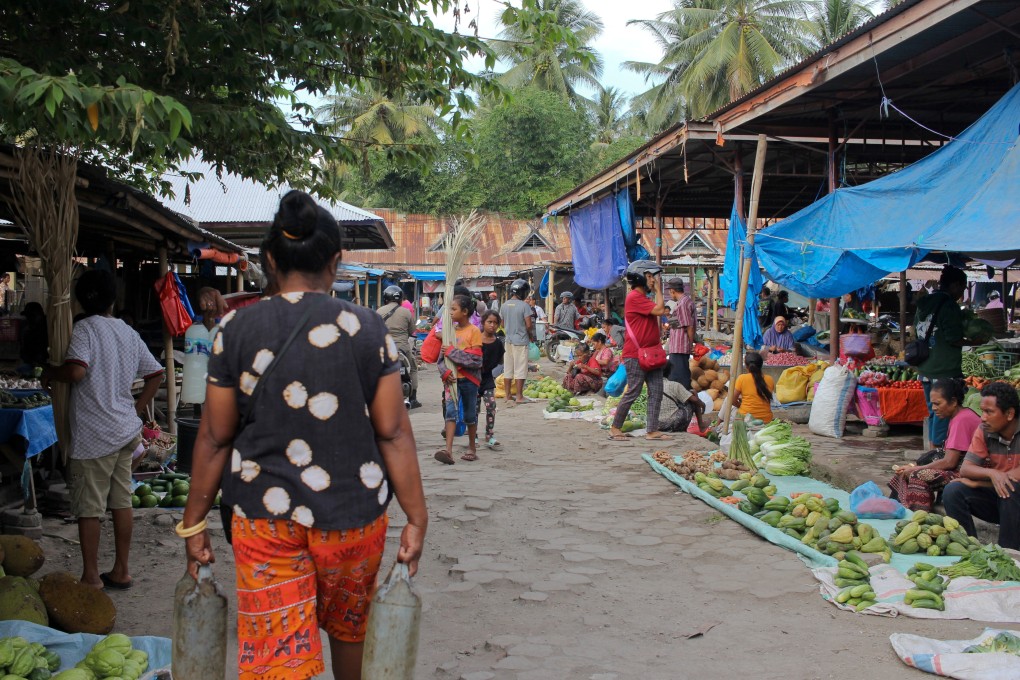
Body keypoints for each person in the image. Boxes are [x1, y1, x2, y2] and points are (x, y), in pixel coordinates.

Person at [180, 190, 427, 679]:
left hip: (263, 519)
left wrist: (193, 524)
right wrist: (416, 518)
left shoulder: (235, 328)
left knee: (279, 656)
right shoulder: (368, 327)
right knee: (350, 632)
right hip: (353, 517)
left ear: (270, 259)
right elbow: (394, 433)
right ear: (336, 261)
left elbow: (213, 437)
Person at [41, 269, 164, 591]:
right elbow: (156, 374)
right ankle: (121, 570)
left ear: (82, 300)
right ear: (113, 299)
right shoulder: (127, 332)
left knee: (89, 508)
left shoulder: (84, 329)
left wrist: (52, 372)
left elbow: (77, 372)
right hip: (125, 432)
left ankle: (92, 577)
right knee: (121, 501)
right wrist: (135, 411)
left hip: (95, 435)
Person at [943, 382, 1020, 550]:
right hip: (1001, 501)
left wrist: (979, 482)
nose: (983, 417)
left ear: (1009, 414)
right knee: (953, 491)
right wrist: (992, 473)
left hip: (1014, 500)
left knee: (1010, 487)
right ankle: (970, 549)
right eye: (982, 411)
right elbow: (966, 468)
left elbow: (1013, 477)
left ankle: (1008, 555)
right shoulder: (984, 430)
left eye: (989, 412)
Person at [888, 378, 981, 511]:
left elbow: (950, 462)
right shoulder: (959, 416)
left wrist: (916, 469)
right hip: (962, 467)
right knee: (911, 469)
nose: (934, 408)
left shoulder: (962, 420)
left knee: (916, 475)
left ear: (953, 402)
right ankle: (898, 508)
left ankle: (921, 516)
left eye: (938, 404)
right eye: (932, 404)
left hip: (969, 472)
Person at [609, 260, 671, 442]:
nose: (653, 280)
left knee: (656, 390)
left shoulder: (643, 298)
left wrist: (657, 289)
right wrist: (660, 289)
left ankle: (652, 430)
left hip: (650, 354)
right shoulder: (634, 297)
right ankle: (615, 428)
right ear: (640, 277)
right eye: (650, 277)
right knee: (634, 391)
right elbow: (660, 309)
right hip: (635, 355)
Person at [915, 265, 967, 448]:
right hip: (944, 368)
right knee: (943, 411)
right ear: (955, 285)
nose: (962, 293)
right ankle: (937, 450)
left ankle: (932, 448)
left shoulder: (924, 303)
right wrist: (975, 341)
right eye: (962, 288)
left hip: (925, 367)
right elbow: (954, 338)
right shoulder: (949, 306)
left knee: (933, 409)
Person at [434, 295, 483, 464]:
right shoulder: (449, 331)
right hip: (451, 380)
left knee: (470, 414)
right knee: (450, 413)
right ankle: (448, 450)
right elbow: (441, 359)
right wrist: (444, 372)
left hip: (469, 380)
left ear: (465, 312)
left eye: (453, 309)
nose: (450, 312)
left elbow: (476, 360)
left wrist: (452, 353)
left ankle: (472, 447)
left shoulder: (474, 331)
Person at [378, 284, 421, 409]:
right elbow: (412, 331)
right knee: (413, 369)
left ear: (385, 298)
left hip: (384, 348)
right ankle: (413, 398)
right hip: (403, 348)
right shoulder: (406, 312)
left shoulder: (379, 311)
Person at [500, 279, 533, 407]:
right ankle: (519, 396)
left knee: (508, 368)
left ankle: (507, 395)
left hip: (508, 341)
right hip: (521, 341)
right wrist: (529, 334)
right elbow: (529, 325)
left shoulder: (504, 305)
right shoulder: (524, 306)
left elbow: (502, 323)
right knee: (520, 368)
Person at [478, 310, 504, 451]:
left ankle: (489, 434)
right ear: (483, 323)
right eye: (489, 322)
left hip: (487, 378)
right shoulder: (475, 339)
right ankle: (473, 435)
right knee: (474, 409)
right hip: (474, 378)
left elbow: (499, 360)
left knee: (491, 405)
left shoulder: (498, 344)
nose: (492, 325)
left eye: (495, 323)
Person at [665, 278, 696, 390]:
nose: (669, 294)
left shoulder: (683, 303)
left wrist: (690, 344)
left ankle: (683, 401)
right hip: (678, 346)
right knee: (678, 375)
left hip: (680, 346)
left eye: (669, 291)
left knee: (679, 378)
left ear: (672, 290)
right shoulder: (683, 302)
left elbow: (689, 326)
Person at [731, 351, 775, 424]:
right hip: (766, 419)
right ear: (761, 365)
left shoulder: (742, 378)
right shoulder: (770, 379)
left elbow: (732, 400)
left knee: (727, 400)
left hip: (746, 419)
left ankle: (718, 423)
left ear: (746, 366)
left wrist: (740, 405)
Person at [660, 369, 708, 433]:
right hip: (672, 424)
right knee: (693, 397)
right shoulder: (674, 385)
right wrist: (703, 405)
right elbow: (695, 400)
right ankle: (701, 425)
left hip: (657, 424)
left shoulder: (653, 385)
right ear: (670, 372)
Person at [19, 301, 48, 370]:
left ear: (40, 315)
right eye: (28, 317)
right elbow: (24, 351)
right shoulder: (27, 328)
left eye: (31, 316)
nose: (29, 319)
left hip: (44, 363)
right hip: (31, 362)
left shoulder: (47, 327)